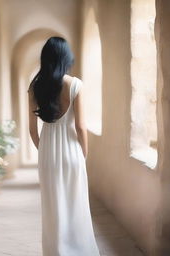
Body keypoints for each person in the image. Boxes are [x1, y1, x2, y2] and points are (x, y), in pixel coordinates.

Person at [27, 36, 100, 256]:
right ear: (65, 57)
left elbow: (32, 130)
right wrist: (83, 153)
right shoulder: (75, 85)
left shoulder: (35, 87)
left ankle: (55, 251)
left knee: (52, 207)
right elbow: (80, 126)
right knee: (76, 205)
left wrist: (45, 152)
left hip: (48, 153)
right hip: (72, 152)